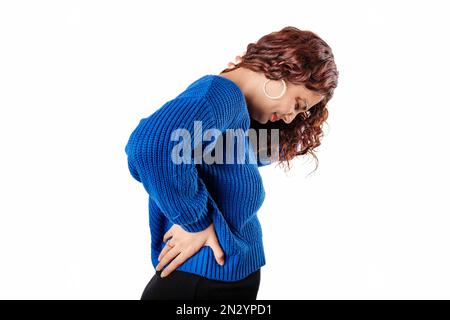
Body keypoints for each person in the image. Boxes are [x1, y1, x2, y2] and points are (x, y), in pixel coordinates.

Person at [125, 26, 339, 300]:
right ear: (281, 72)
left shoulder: (235, 106)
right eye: (297, 104)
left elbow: (231, 160)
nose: (290, 117)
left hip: (221, 276)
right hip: (199, 280)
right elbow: (150, 147)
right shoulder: (219, 94)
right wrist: (194, 220)